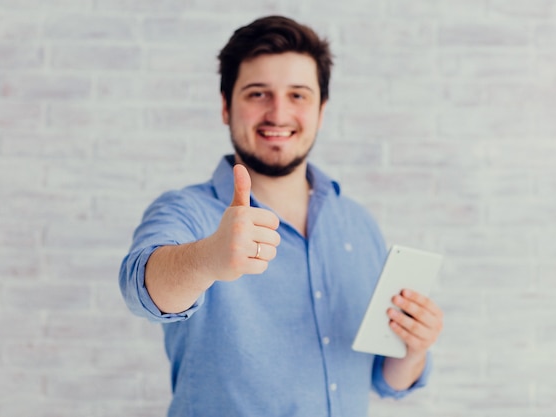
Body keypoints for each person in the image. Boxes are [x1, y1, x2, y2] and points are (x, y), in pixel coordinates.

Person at [119, 15, 443, 417]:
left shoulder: (356, 223)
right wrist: (209, 258)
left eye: (298, 95)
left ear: (321, 110)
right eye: (257, 94)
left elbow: (381, 379)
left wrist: (412, 349)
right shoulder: (187, 211)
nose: (278, 113)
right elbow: (139, 289)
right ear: (225, 106)